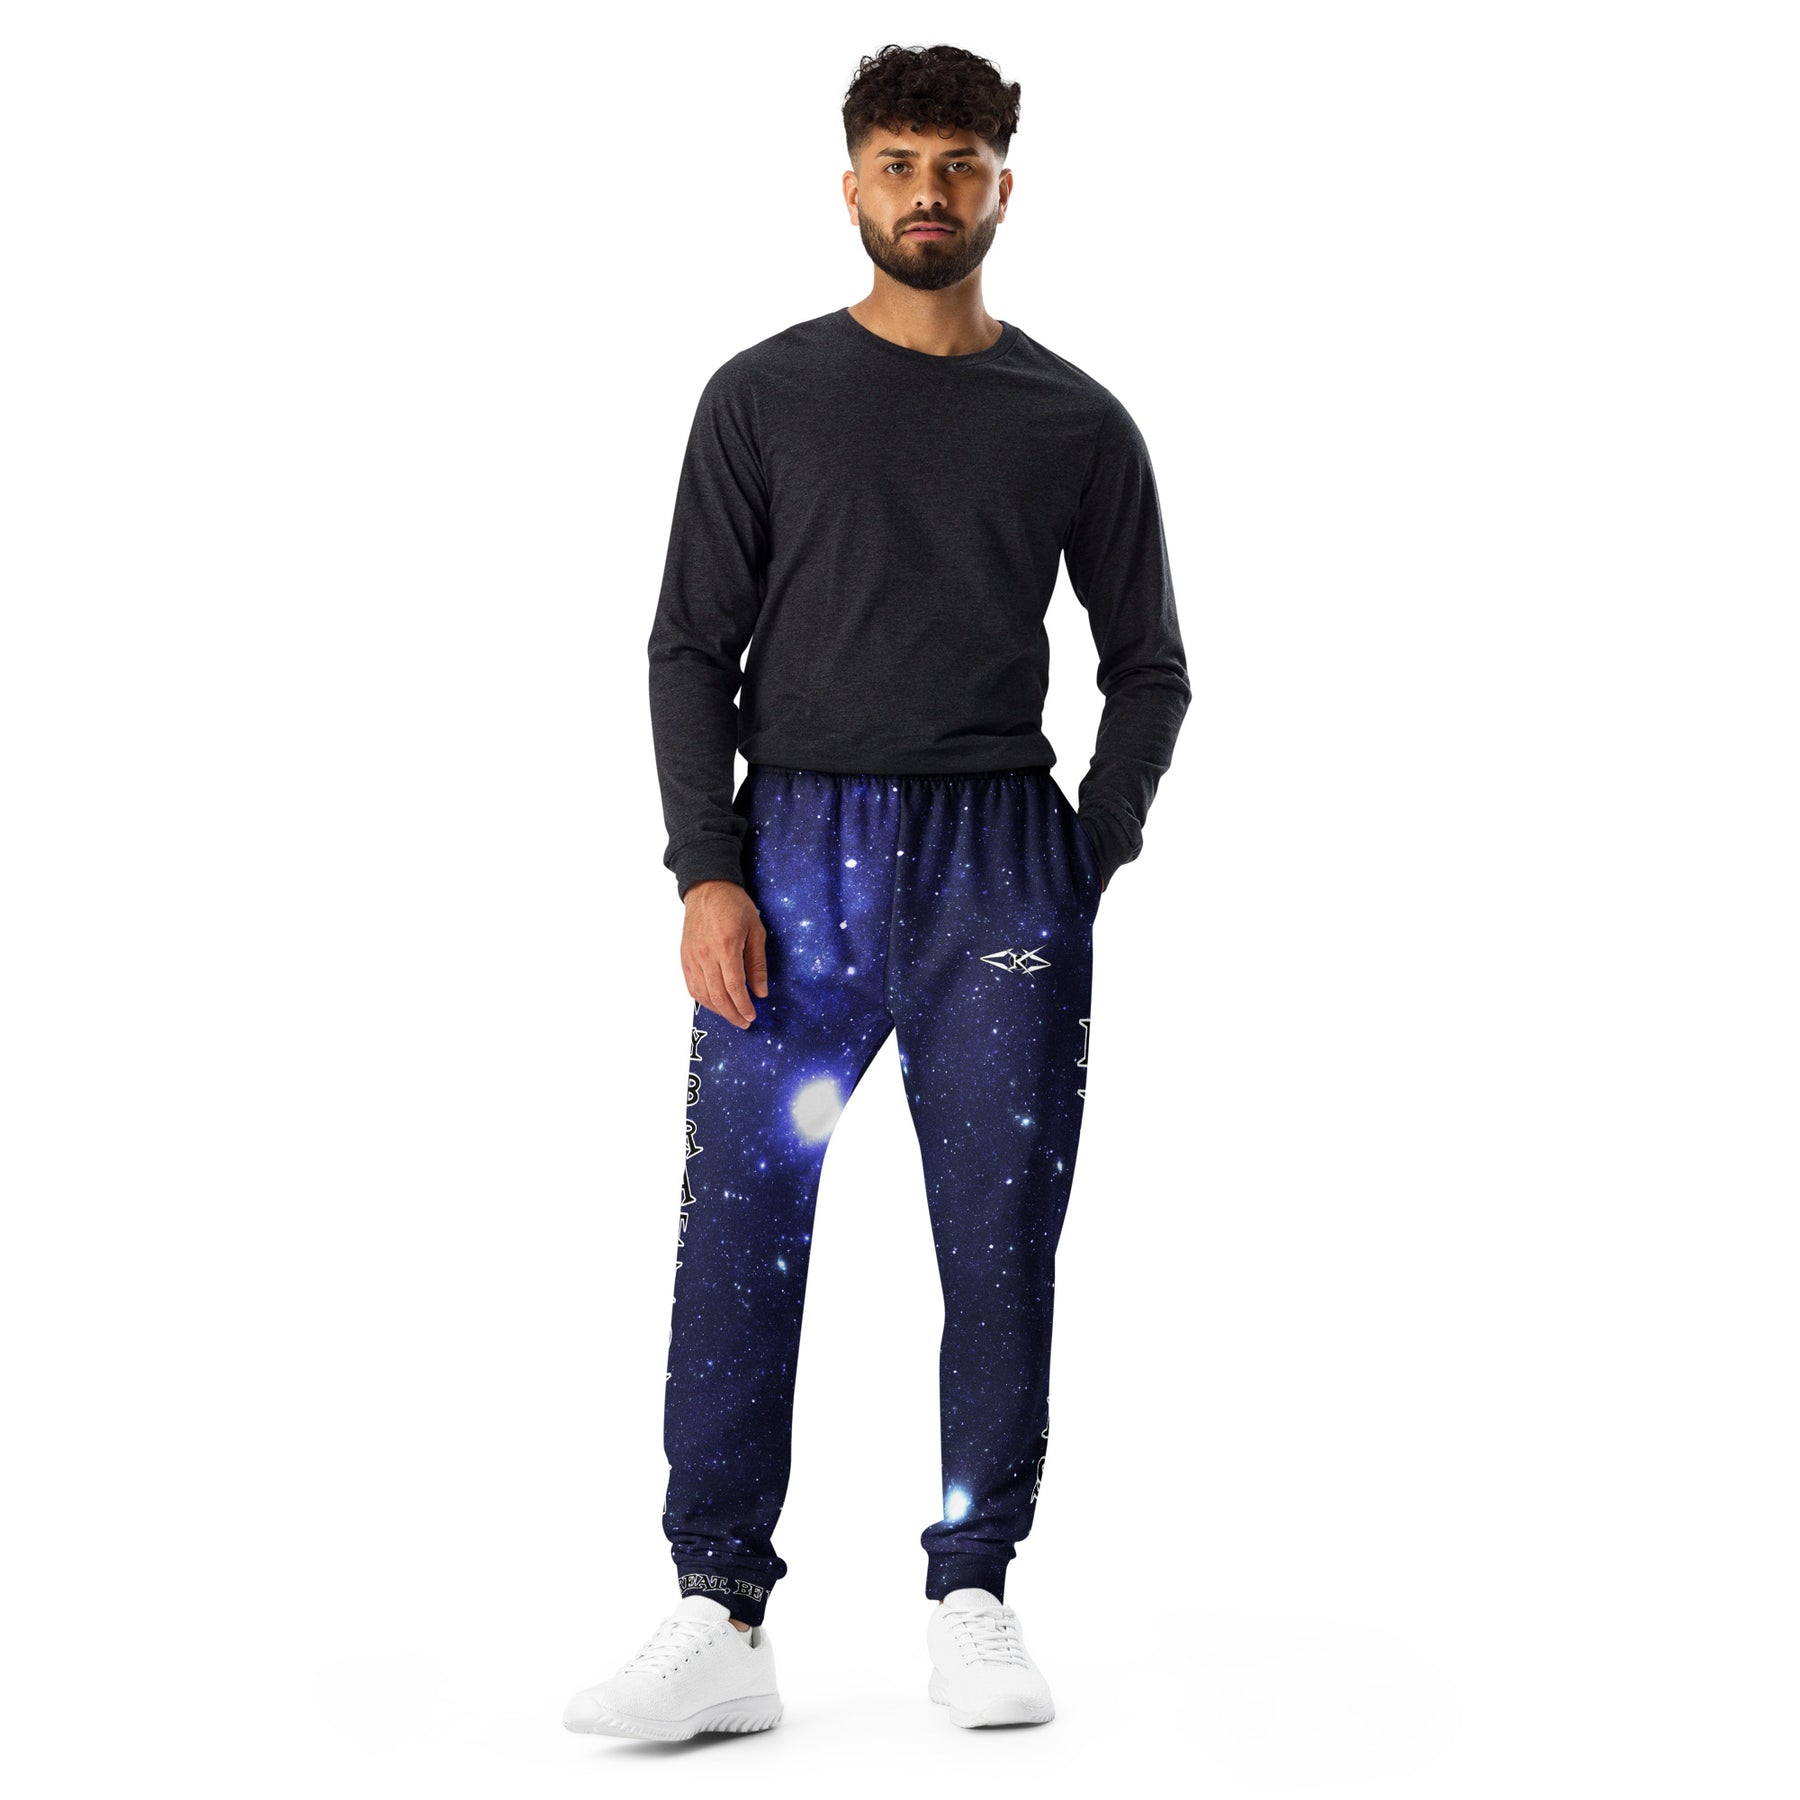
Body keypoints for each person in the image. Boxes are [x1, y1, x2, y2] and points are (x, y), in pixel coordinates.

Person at [565, 42, 1190, 1742]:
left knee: (998, 1239)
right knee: (741, 1228)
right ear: (851, 184)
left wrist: (1086, 850)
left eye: (960, 163)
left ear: (1003, 188)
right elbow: (689, 647)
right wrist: (707, 870)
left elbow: (1149, 666)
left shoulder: (1075, 421)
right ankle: (719, 1607)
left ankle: (974, 1587)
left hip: (1003, 872)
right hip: (794, 863)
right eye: (902, 162)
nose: (930, 191)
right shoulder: (762, 397)